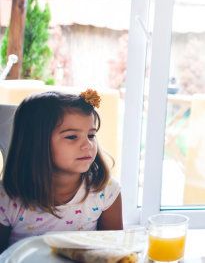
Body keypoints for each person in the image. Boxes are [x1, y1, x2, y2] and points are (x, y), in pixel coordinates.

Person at [0, 90, 122, 251]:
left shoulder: (105, 191)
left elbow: (113, 252)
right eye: (72, 137)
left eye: (91, 135)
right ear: (36, 143)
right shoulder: (7, 197)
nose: (88, 145)